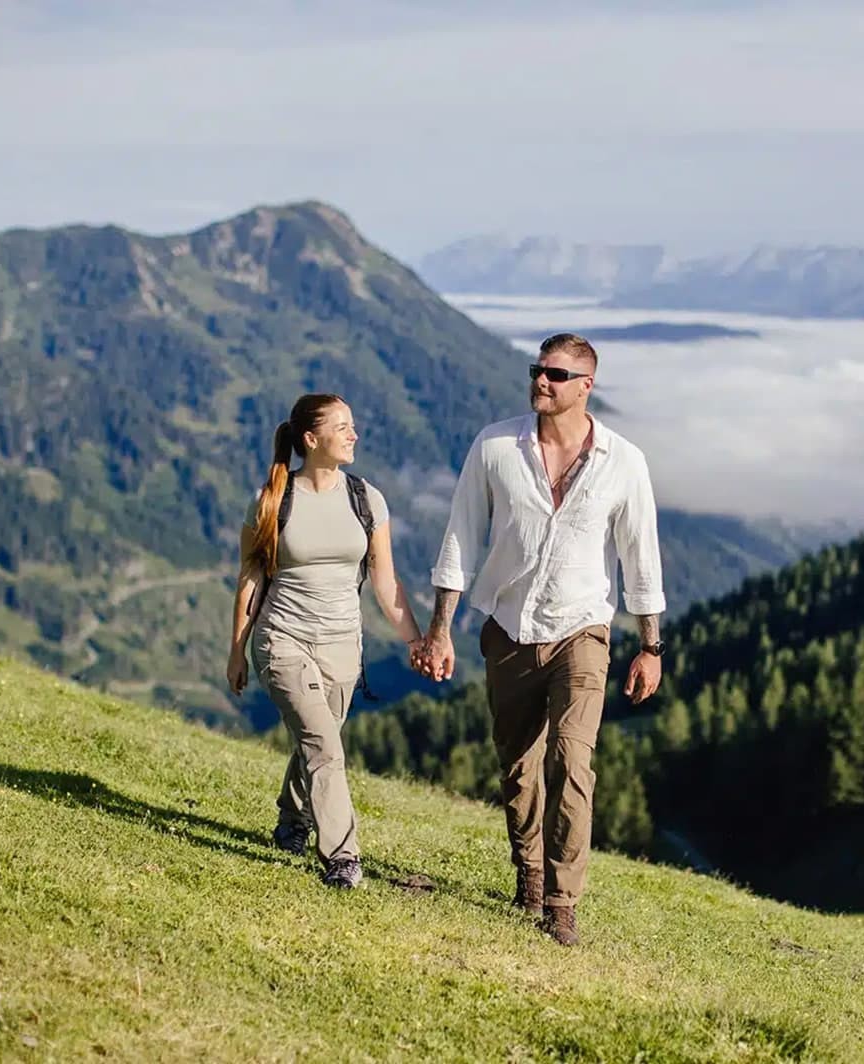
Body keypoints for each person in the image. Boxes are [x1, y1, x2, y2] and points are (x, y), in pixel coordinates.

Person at [415, 333, 666, 945]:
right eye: (537, 370)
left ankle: (561, 903)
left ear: (586, 387)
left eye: (556, 375)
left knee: (572, 761)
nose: (540, 382)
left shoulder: (624, 461)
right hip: (509, 629)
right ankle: (528, 871)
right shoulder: (495, 445)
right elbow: (460, 538)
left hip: (583, 630)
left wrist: (650, 646)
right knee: (519, 768)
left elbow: (642, 559)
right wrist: (440, 630)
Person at [227, 392, 423, 888]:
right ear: (311, 439)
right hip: (282, 638)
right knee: (324, 745)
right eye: (342, 427)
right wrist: (237, 650)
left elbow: (385, 581)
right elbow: (251, 578)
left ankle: (291, 821)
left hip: (342, 645)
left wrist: (416, 641)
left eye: (352, 425)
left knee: (318, 740)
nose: (354, 435)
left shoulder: (366, 498)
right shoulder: (273, 499)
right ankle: (342, 856)